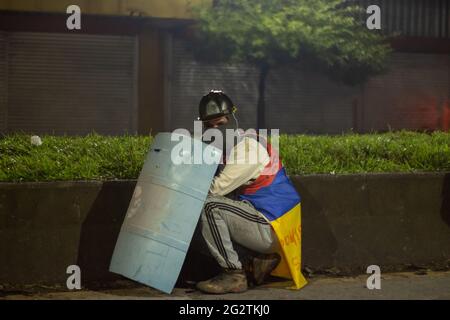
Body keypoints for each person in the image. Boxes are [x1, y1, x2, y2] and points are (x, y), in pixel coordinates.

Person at [195, 90, 307, 294]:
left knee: (209, 206)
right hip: (268, 220)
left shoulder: (248, 148)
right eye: (209, 126)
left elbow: (215, 189)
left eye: (220, 123)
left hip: (271, 227)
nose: (215, 130)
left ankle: (233, 275)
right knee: (220, 203)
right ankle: (256, 262)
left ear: (233, 120)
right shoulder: (237, 145)